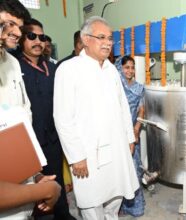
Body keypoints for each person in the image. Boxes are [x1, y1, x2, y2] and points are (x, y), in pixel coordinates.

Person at [54, 16, 139, 220]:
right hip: (88, 153)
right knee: (92, 203)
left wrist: (129, 138)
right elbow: (62, 117)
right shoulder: (69, 69)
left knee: (115, 198)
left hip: (117, 147)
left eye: (110, 38)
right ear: (85, 40)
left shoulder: (111, 70)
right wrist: (76, 156)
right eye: (101, 37)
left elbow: (123, 107)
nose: (108, 42)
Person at [0, 0, 61, 218]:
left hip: (31, 157)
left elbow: (22, 116)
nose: (16, 32)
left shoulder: (11, 64)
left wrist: (34, 174)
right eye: (8, 24)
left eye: (19, 27)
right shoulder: (20, 63)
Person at [17, 18, 75, 220]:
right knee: (32, 187)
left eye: (41, 37)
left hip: (53, 138)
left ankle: (63, 214)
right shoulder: (14, 67)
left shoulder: (52, 68)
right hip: (27, 141)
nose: (38, 41)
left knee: (56, 179)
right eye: (32, 36)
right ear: (21, 39)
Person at [115, 55, 145, 217]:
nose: (130, 70)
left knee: (134, 169)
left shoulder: (139, 88)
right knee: (119, 170)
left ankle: (134, 206)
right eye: (126, 67)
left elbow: (141, 109)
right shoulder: (114, 86)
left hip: (132, 134)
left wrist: (136, 129)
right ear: (119, 68)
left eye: (132, 67)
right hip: (116, 134)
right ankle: (118, 205)